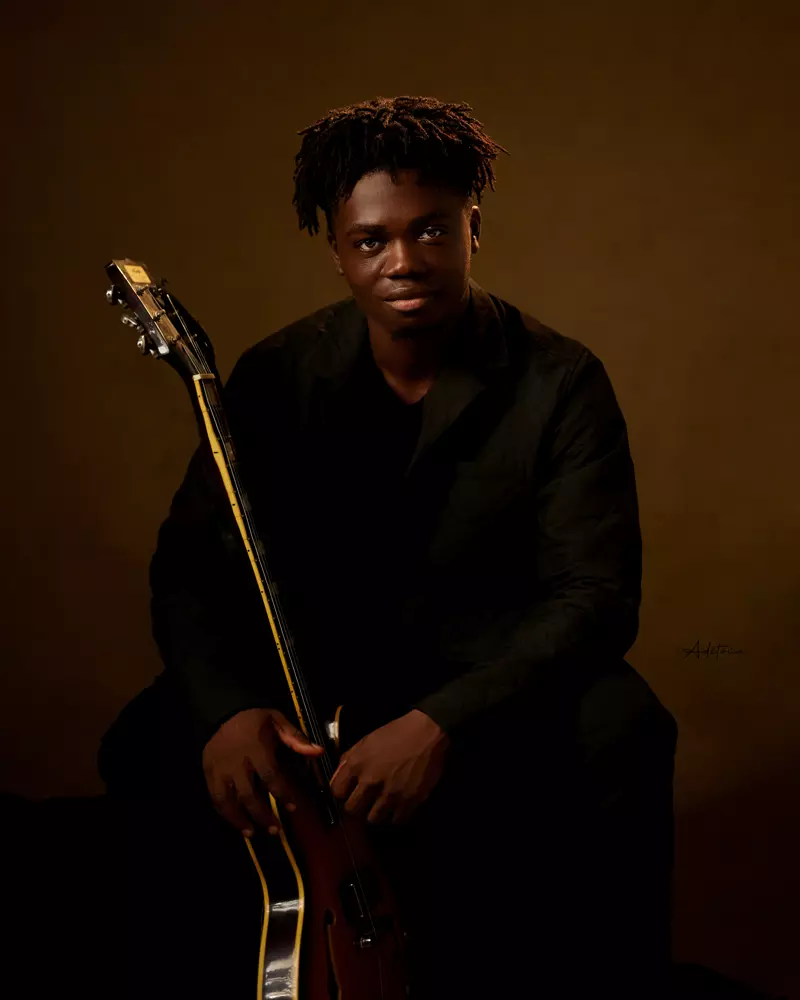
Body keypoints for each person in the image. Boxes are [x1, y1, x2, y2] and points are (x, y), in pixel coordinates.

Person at [100, 95, 678, 998]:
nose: (404, 262)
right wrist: (227, 710)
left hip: (484, 680)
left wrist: (444, 720)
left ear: (473, 229)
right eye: (371, 241)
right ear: (338, 250)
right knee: (143, 740)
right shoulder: (276, 373)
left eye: (431, 231)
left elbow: (596, 597)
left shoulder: (562, 379)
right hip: (317, 673)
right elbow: (192, 566)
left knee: (625, 727)